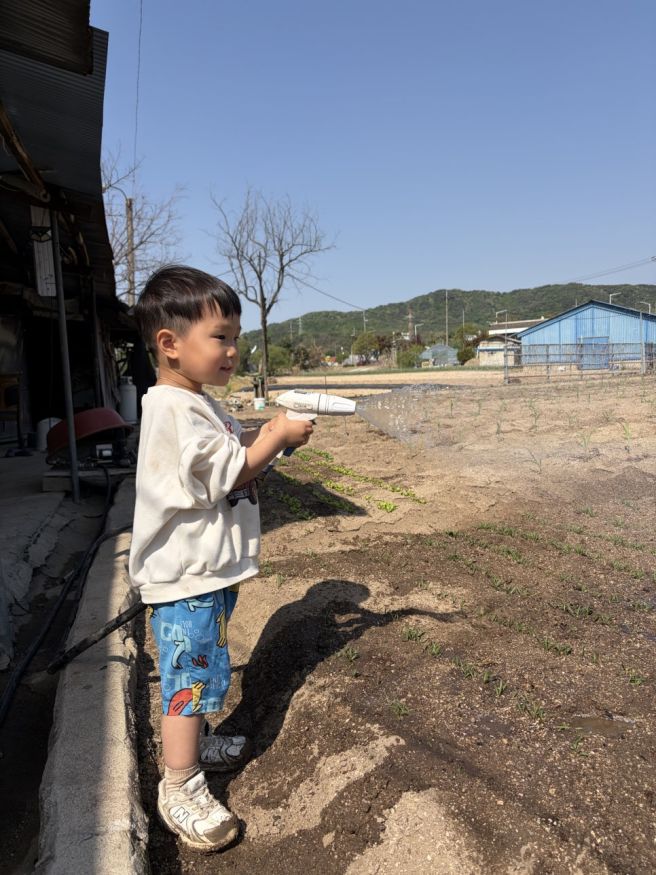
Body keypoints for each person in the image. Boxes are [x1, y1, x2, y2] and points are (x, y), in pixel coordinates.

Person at [128, 265, 313, 852]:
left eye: (236, 337)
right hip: (185, 579)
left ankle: (197, 744)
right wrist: (275, 436)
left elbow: (235, 460)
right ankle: (179, 784)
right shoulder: (173, 411)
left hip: (204, 572)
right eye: (221, 336)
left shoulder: (197, 405)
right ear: (170, 344)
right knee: (187, 679)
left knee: (203, 666)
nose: (233, 349)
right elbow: (229, 470)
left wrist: (269, 442)